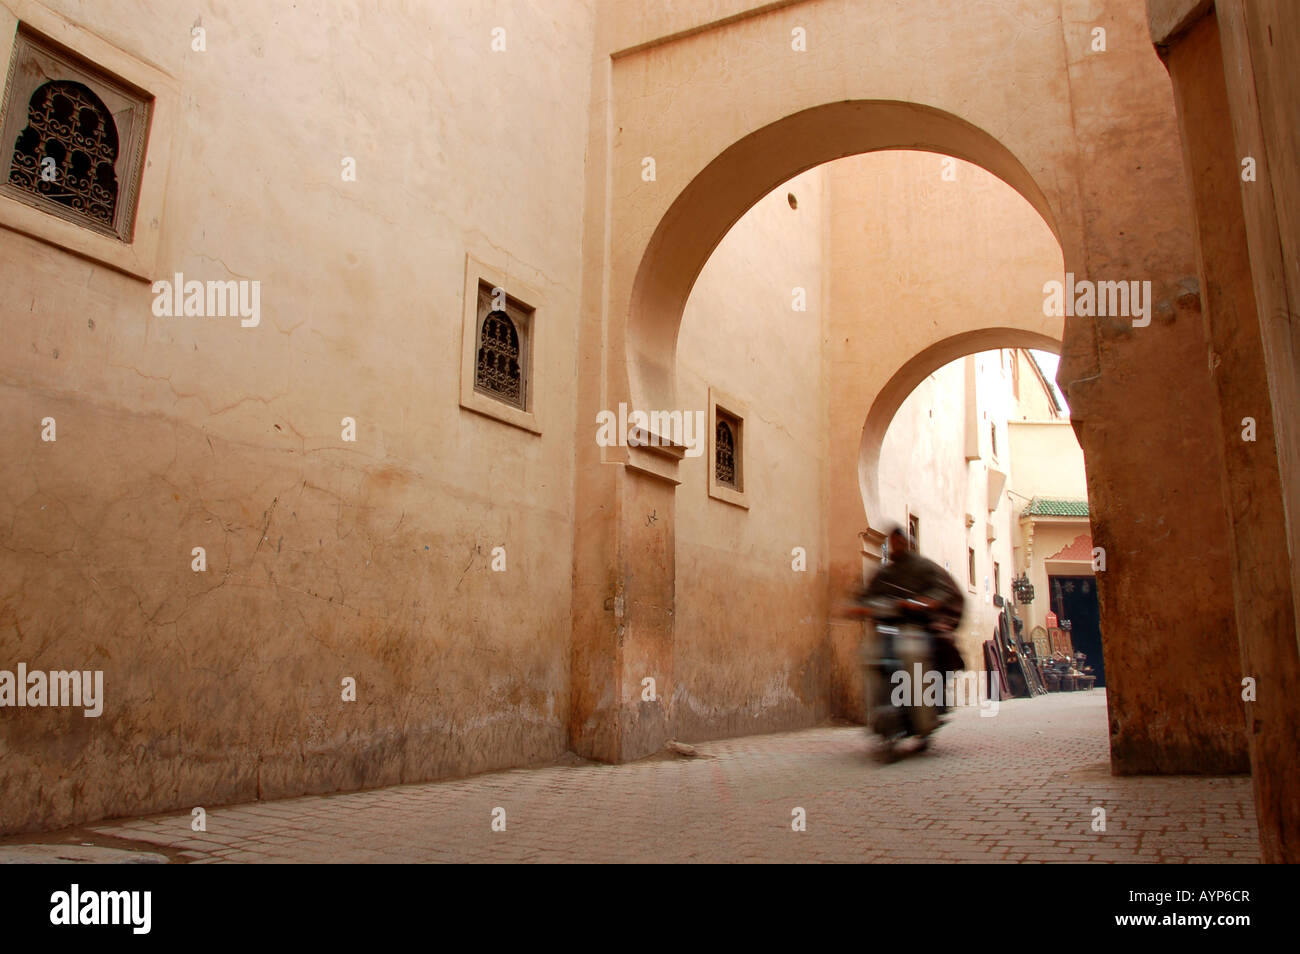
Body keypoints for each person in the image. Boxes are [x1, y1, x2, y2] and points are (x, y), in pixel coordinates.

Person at [842, 524, 966, 756]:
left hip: (916, 628)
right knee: (868, 656)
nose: (896, 544)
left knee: (913, 656)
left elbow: (943, 590)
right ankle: (880, 716)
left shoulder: (925, 567)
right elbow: (867, 595)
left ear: (908, 542)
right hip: (888, 630)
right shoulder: (885, 573)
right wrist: (857, 607)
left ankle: (925, 721)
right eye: (893, 541)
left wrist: (925, 602)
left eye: (899, 541)